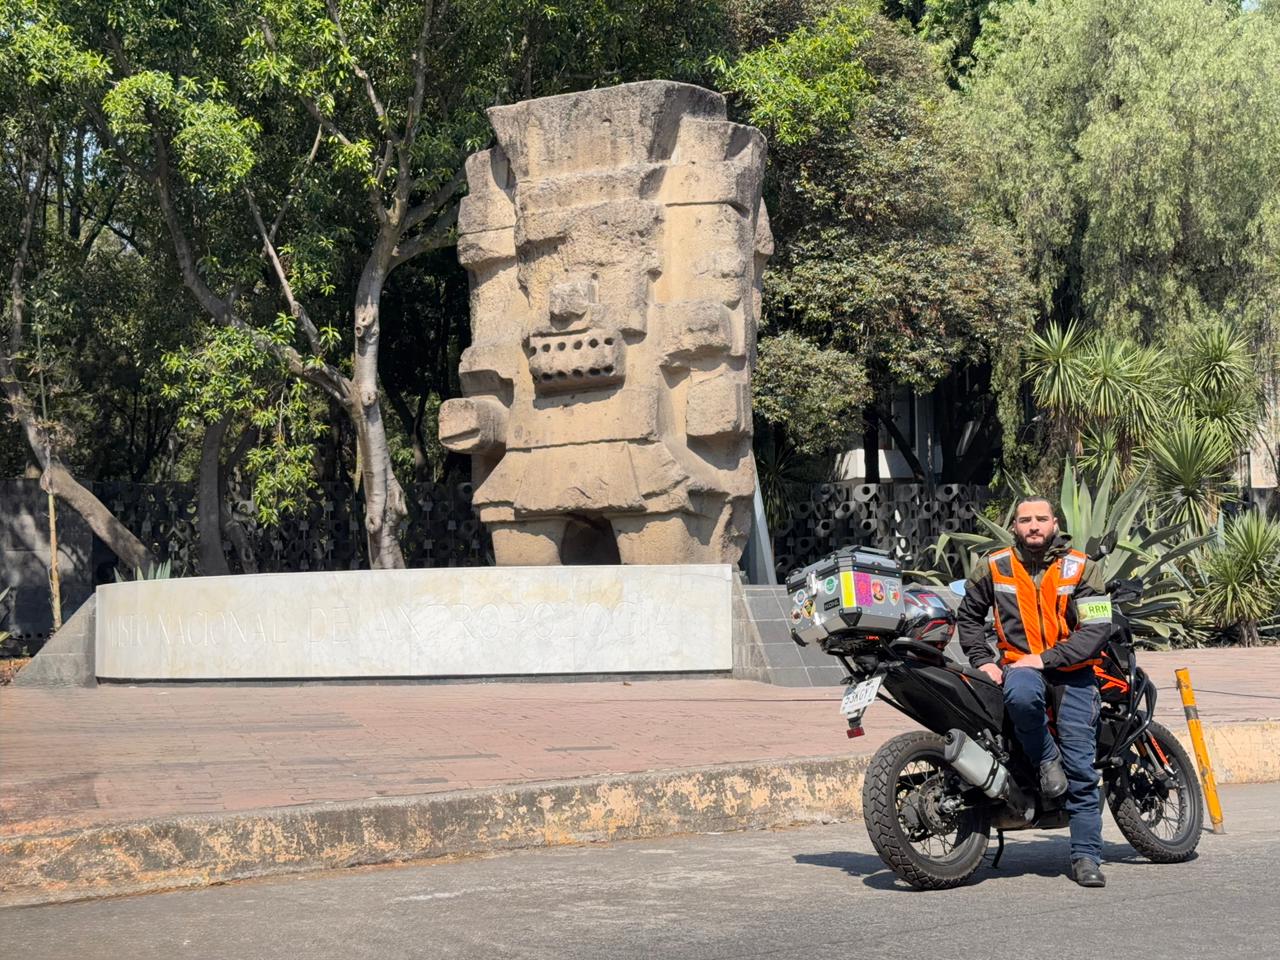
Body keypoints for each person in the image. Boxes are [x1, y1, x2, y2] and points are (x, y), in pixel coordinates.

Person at [956, 495, 1113, 888]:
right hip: (1020, 668)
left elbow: (1096, 630)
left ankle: (1086, 858)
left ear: (1055, 523)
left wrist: (1045, 659)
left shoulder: (1083, 567)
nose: (1033, 526)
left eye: (1041, 518)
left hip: (1073, 673)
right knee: (1020, 697)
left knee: (1080, 766)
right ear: (1014, 527)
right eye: (1025, 520)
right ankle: (1044, 758)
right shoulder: (993, 566)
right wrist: (983, 660)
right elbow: (969, 617)